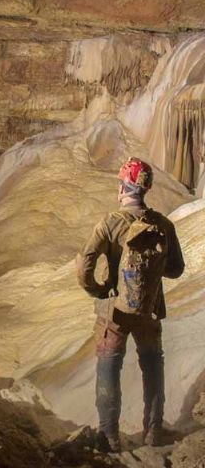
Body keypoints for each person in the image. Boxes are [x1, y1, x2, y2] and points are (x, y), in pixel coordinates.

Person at [77, 157, 184, 452]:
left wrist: (97, 290)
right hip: (149, 308)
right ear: (145, 190)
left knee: (109, 365)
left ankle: (109, 436)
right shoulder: (162, 224)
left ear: (123, 186)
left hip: (116, 311)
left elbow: (84, 263)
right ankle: (153, 431)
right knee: (152, 364)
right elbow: (176, 269)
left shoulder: (110, 223)